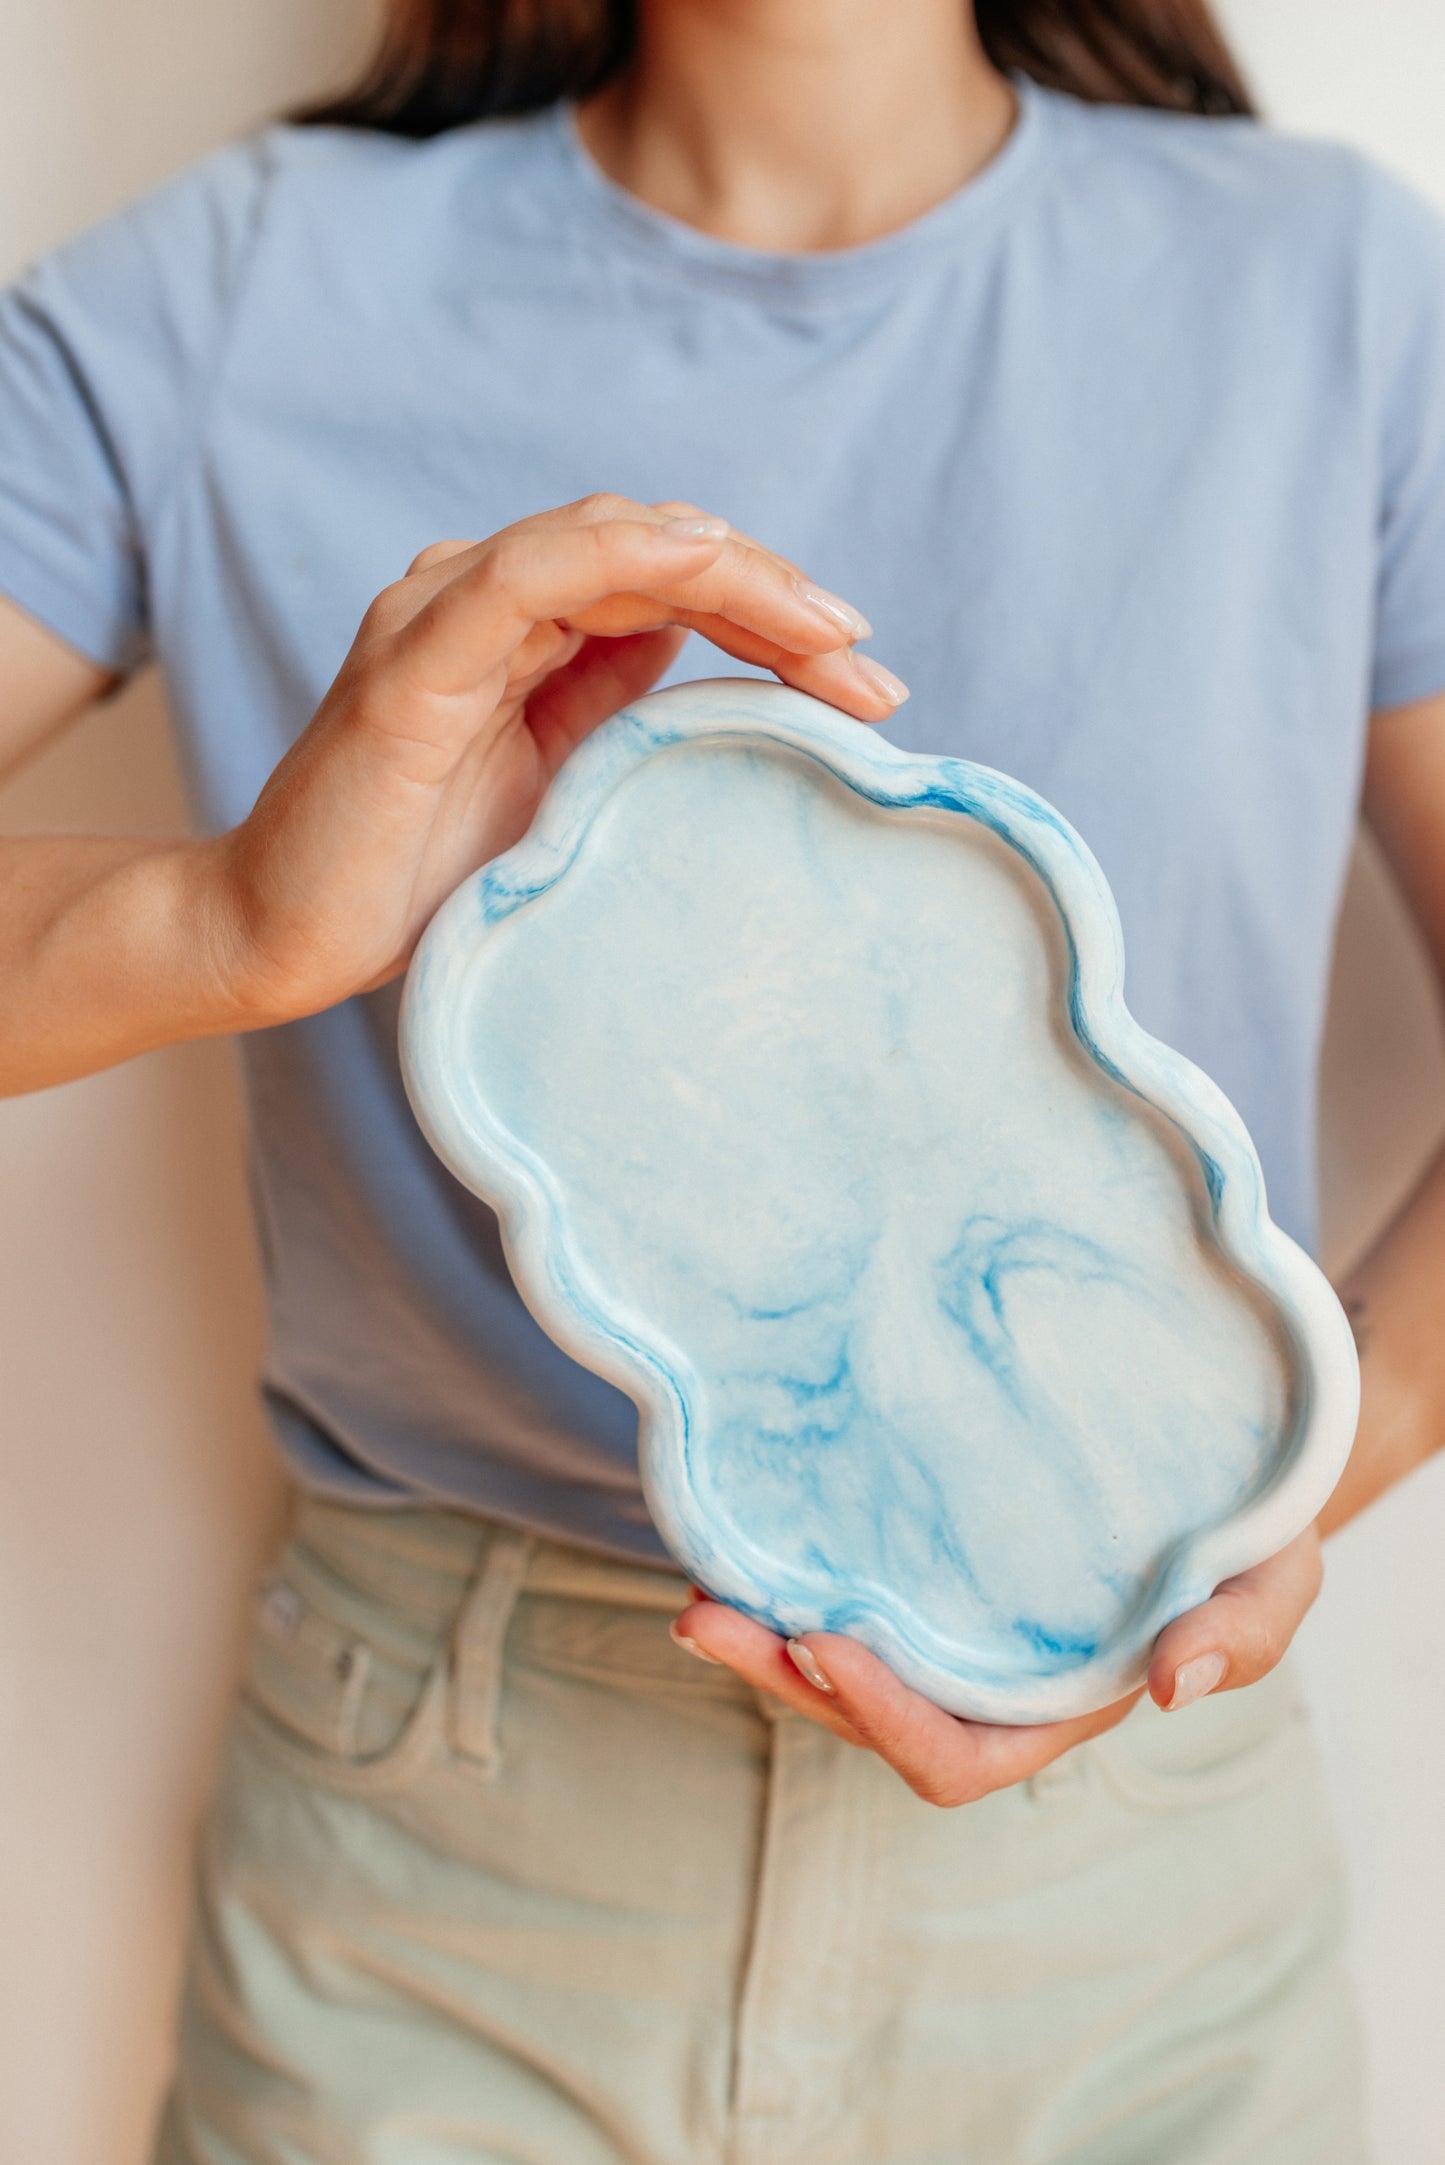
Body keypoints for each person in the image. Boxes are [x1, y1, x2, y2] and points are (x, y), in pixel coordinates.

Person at [2, 0, 1444, 2156]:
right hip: (434, 1894)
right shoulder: (208, 299)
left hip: (1141, 1883)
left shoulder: (1348, 293)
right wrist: (227, 922)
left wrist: (1289, 1479)